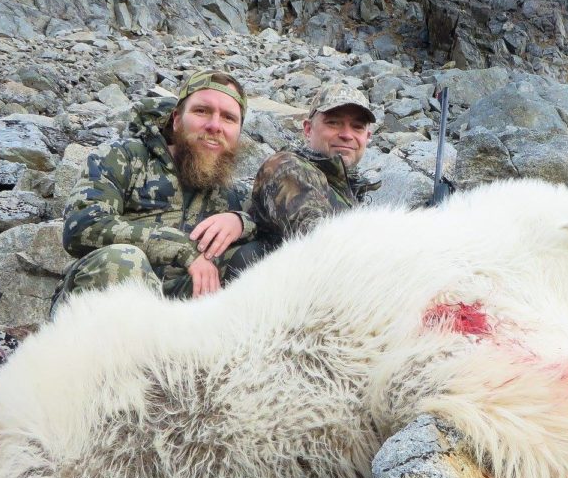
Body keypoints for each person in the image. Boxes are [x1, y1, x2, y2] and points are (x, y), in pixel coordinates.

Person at [53, 69, 255, 310]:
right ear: (177, 120)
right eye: (202, 111)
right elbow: (82, 226)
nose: (214, 126)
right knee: (123, 260)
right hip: (105, 310)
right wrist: (181, 248)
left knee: (256, 260)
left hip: (183, 319)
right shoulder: (123, 157)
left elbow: (287, 238)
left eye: (228, 118)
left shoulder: (238, 195)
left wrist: (241, 222)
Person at [243, 83, 379, 258]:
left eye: (357, 126)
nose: (347, 134)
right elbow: (321, 243)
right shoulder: (287, 168)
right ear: (308, 129)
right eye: (334, 123)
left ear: (367, 137)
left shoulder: (349, 189)